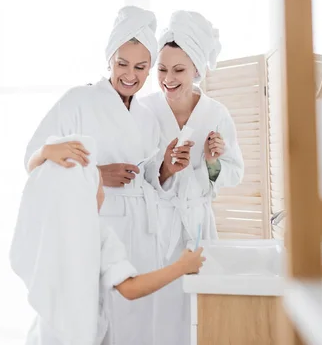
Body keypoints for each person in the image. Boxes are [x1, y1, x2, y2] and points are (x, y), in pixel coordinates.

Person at [23, 6, 191, 344]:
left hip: (140, 239)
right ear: (109, 61)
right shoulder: (79, 101)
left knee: (131, 326)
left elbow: (149, 177)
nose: (131, 75)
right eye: (122, 64)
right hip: (91, 230)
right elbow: (35, 160)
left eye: (141, 67)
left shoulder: (146, 116)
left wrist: (167, 168)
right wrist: (97, 174)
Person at [11, 135, 205, 345]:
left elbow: (39, 187)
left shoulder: (47, 230)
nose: (102, 190)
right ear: (86, 192)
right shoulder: (98, 235)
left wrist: (43, 153)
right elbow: (130, 289)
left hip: (42, 337)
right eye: (100, 183)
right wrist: (182, 266)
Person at [141, 10, 245, 344]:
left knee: (200, 312)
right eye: (162, 69)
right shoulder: (145, 110)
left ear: (196, 70)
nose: (168, 78)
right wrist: (166, 169)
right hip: (157, 227)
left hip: (199, 226)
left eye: (179, 70)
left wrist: (213, 163)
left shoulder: (216, 114)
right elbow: (134, 174)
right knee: (159, 314)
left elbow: (235, 172)